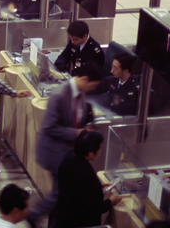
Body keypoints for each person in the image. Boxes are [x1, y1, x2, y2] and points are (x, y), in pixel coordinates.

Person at [27, 61, 103, 226]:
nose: (92, 89)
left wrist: (86, 128)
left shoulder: (81, 94)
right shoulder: (60, 95)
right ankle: (34, 214)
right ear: (85, 79)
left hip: (69, 152)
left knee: (62, 195)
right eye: (92, 85)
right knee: (59, 194)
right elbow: (49, 127)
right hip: (55, 153)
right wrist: (77, 133)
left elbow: (78, 119)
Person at [56, 131, 122, 227]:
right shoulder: (87, 176)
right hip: (77, 223)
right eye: (100, 148)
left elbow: (73, 185)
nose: (100, 151)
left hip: (63, 216)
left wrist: (96, 187)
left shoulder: (69, 156)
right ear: (91, 152)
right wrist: (110, 201)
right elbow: (90, 210)